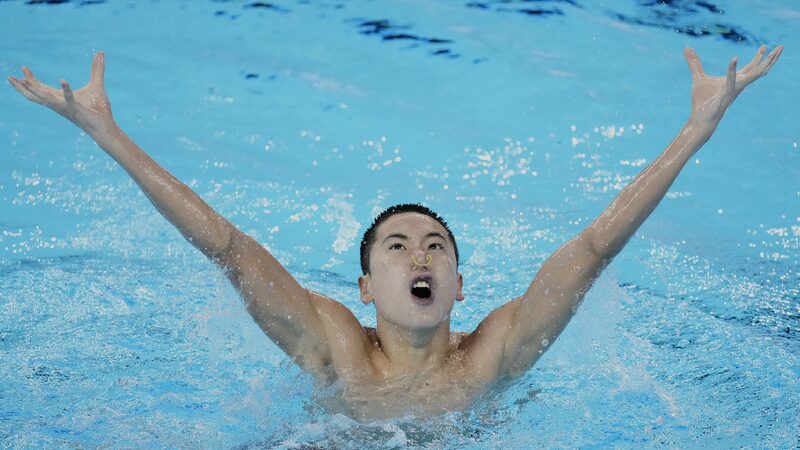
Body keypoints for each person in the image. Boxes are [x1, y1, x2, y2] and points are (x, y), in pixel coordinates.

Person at [8, 46, 783, 419]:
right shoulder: (334, 344)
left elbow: (591, 250)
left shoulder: (496, 352)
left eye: (436, 247)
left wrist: (697, 131)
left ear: (458, 286)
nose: (420, 254)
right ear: (365, 287)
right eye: (398, 247)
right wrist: (107, 135)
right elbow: (228, 248)